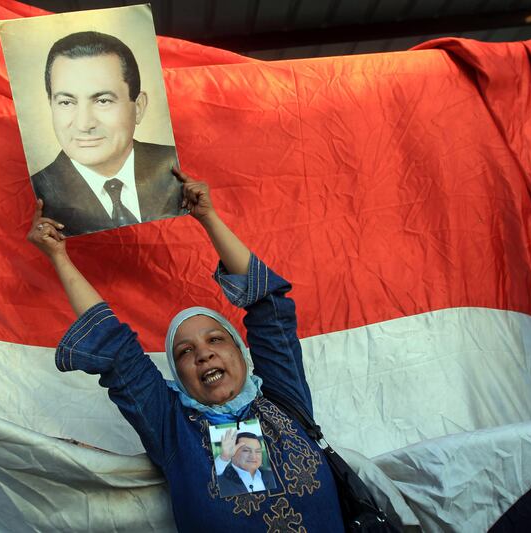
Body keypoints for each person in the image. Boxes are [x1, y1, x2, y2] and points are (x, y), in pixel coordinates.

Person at [27, 169, 343, 531]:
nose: (204, 354)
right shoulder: (175, 430)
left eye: (216, 339)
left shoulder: (285, 398)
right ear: (178, 378)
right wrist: (57, 255)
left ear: (242, 352)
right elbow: (117, 351)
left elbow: (268, 307)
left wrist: (207, 217)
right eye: (185, 352)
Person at [30, 31, 182, 237]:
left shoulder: (178, 166)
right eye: (66, 102)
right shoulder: (37, 195)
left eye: (103, 101)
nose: (84, 124)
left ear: (138, 107)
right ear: (51, 106)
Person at [215, 430, 277, 497]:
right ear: (232, 452)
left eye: (258, 451)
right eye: (246, 450)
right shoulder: (221, 478)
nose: (253, 456)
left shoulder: (271, 475)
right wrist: (225, 457)